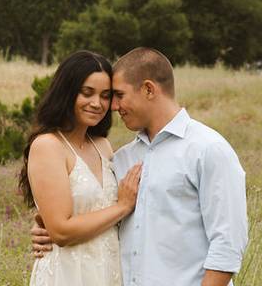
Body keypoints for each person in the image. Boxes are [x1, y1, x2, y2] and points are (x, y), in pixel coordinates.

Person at [32, 47, 248, 286]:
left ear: (148, 89)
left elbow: (227, 245)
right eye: (93, 94)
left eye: (116, 95)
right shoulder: (123, 157)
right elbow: (90, 210)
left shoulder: (208, 149)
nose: (112, 106)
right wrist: (45, 227)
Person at [20, 50, 144, 286]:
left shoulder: (103, 146)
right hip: (68, 272)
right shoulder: (48, 145)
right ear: (67, 93)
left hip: (108, 270)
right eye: (87, 93)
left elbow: (97, 209)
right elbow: (61, 232)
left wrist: (40, 220)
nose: (97, 103)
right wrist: (122, 207)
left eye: (105, 96)